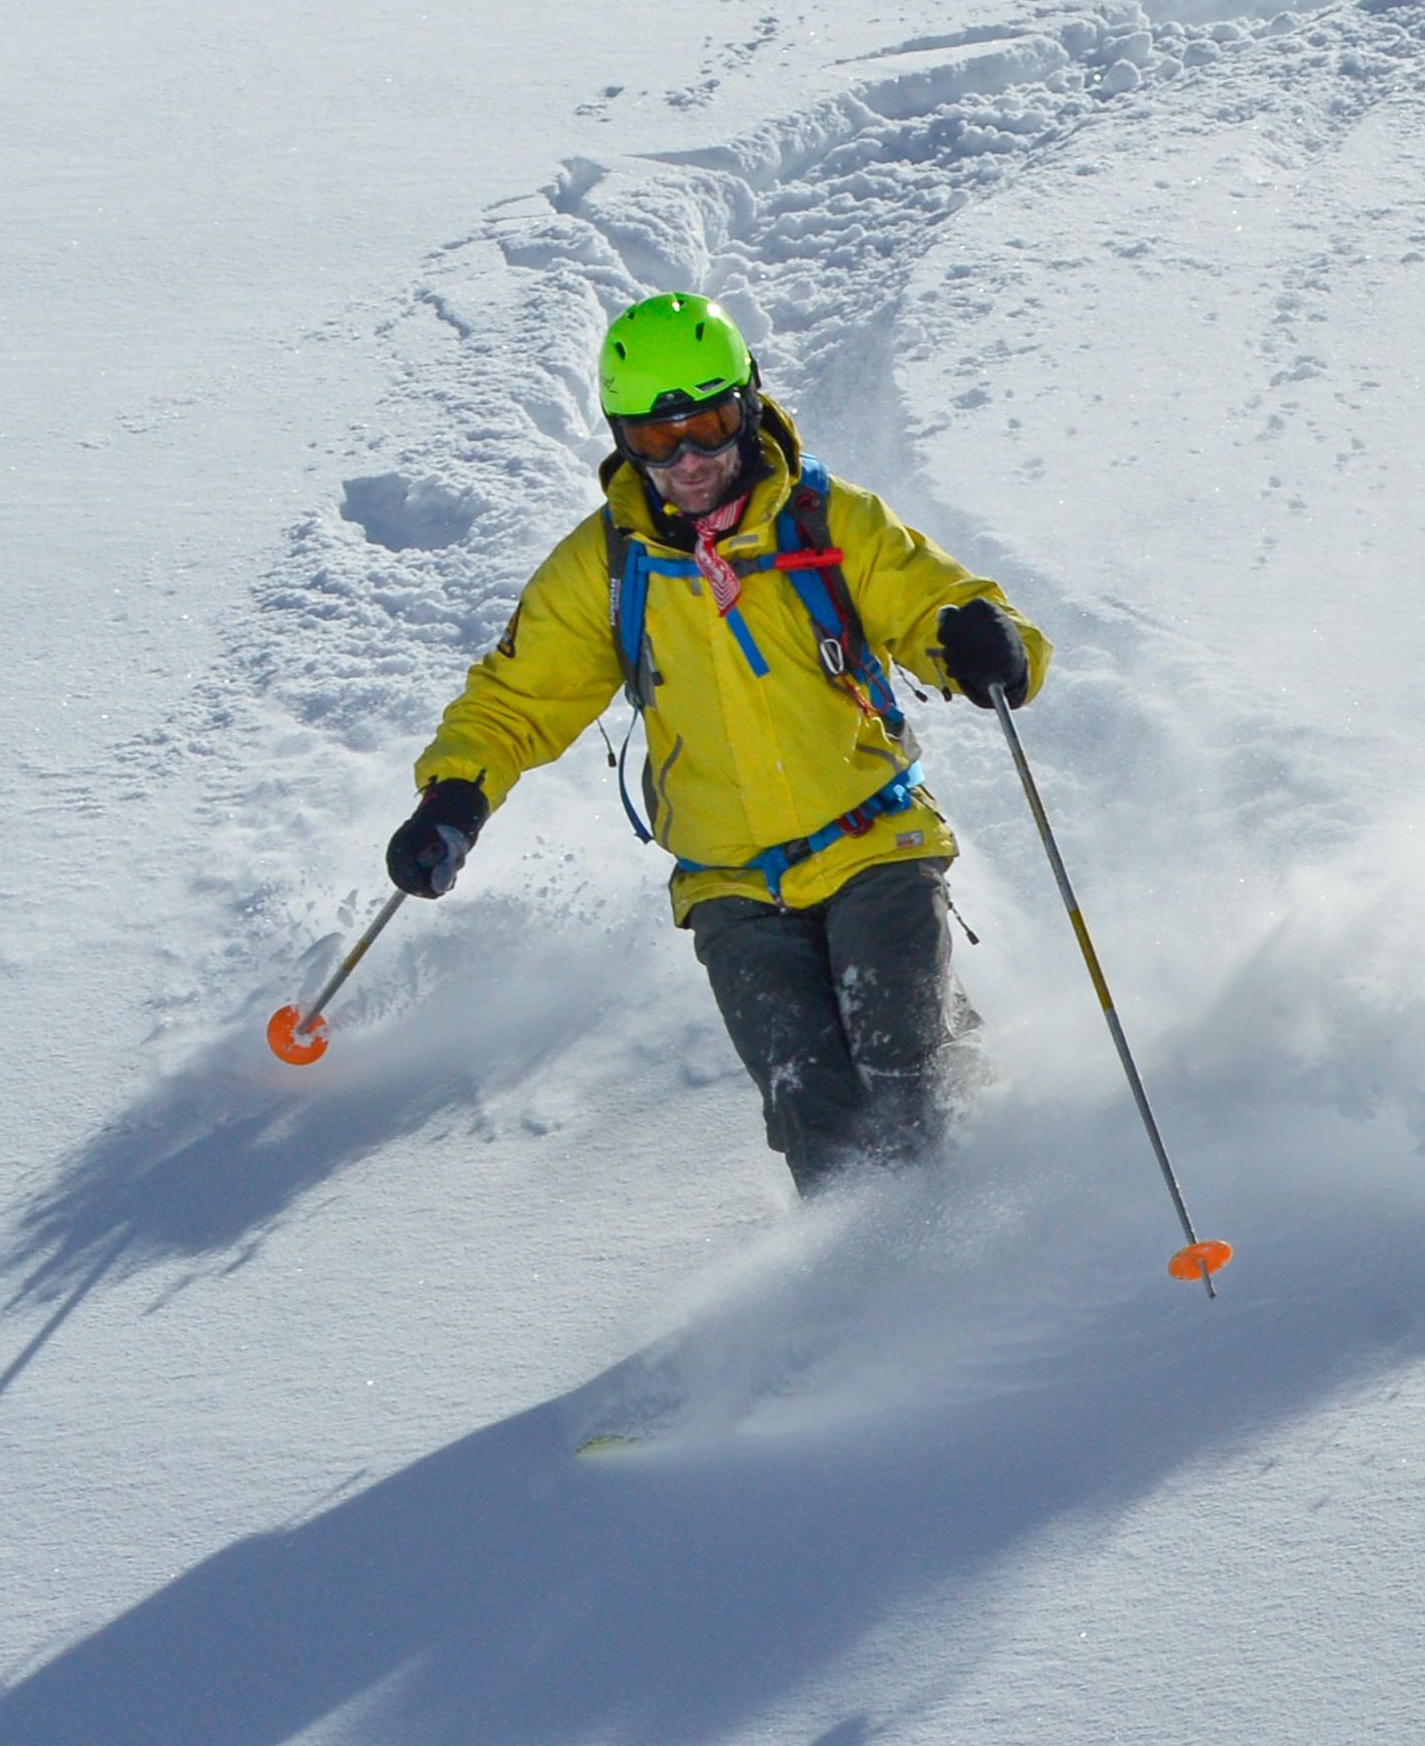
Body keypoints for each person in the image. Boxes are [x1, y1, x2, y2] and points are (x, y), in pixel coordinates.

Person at [386, 292, 1051, 1193]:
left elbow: (927, 597)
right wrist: (455, 797)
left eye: (710, 424)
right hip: (730, 882)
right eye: (660, 441)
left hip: (871, 837)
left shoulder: (825, 520)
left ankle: (1007, 1211)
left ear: (749, 403)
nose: (692, 460)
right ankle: (875, 1294)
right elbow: (517, 698)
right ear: (625, 441)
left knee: (907, 1068)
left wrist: (978, 641)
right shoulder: (608, 565)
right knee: (812, 1113)